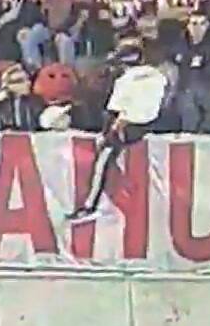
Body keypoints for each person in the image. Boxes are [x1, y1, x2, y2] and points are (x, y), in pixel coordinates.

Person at [68, 39, 168, 220]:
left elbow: (114, 111)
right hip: (158, 123)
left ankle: (90, 205)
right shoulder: (159, 76)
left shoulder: (125, 80)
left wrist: (107, 134)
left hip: (129, 126)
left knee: (102, 160)